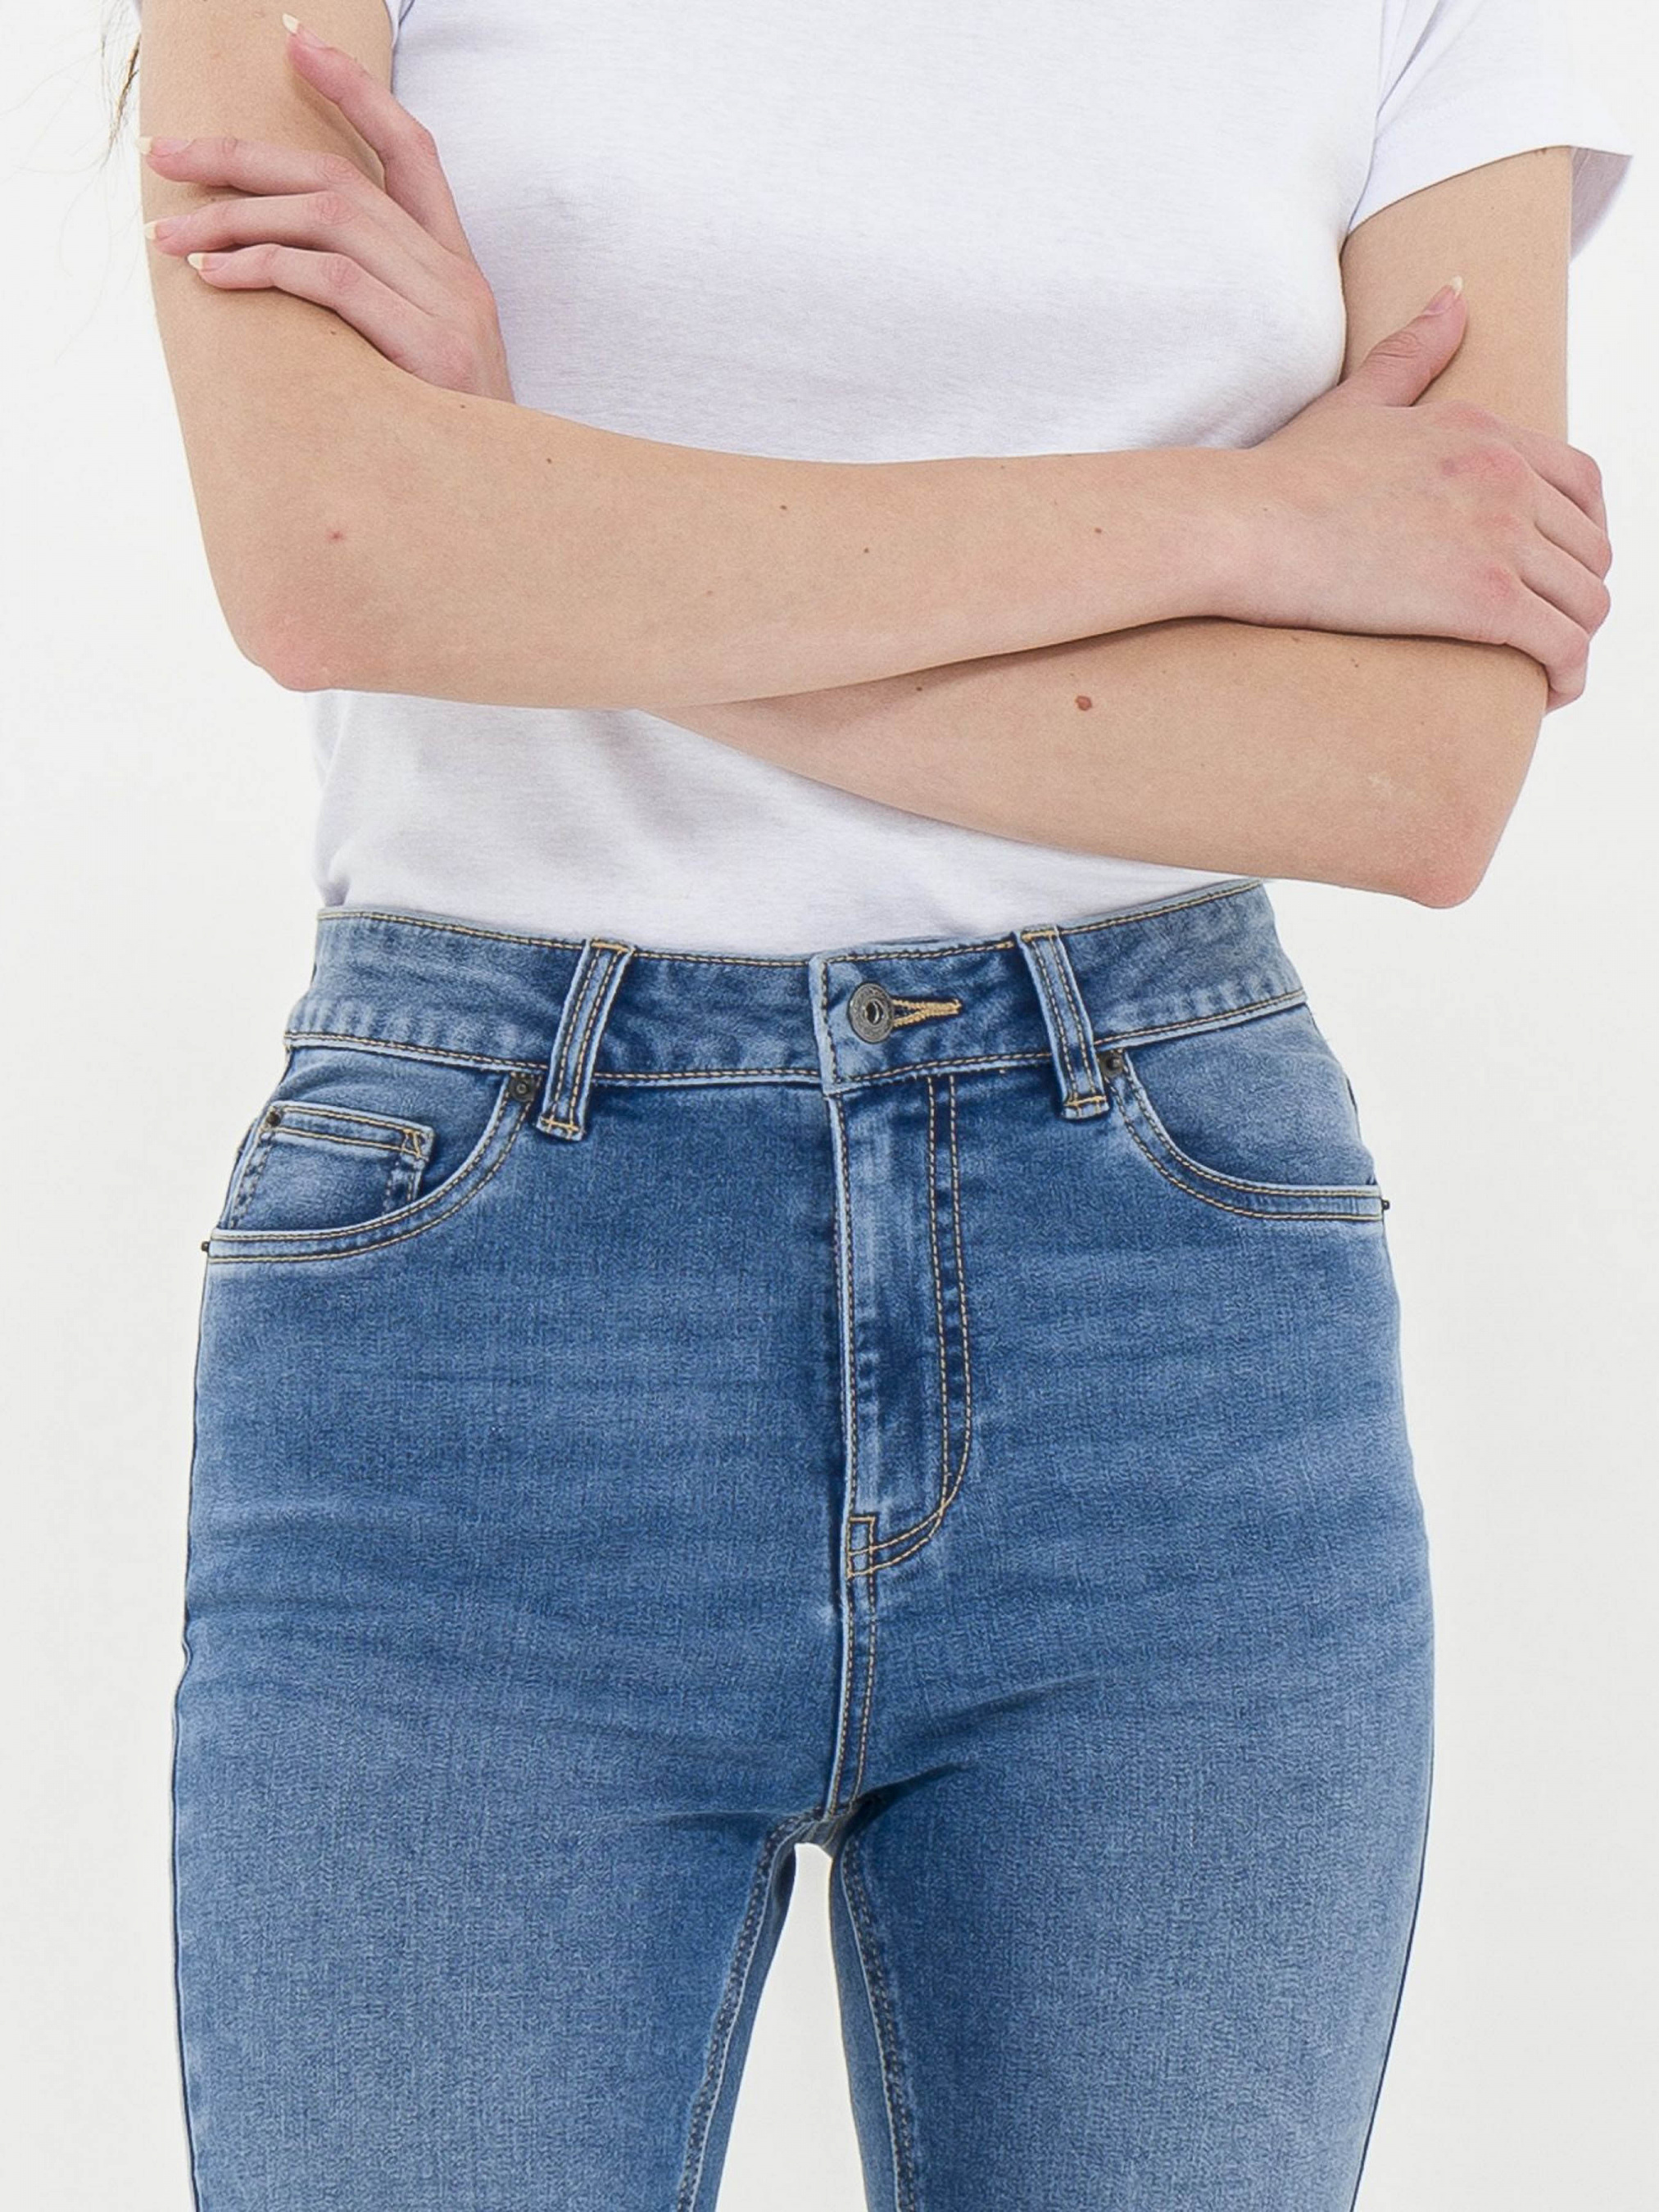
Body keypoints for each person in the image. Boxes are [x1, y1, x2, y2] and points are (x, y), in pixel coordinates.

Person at [123, 2, 1631, 2205]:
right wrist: (1246, 523)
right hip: (480, 1311)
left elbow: (1409, 771)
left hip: (1167, 1317)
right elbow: (333, 554)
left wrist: (542, 510)